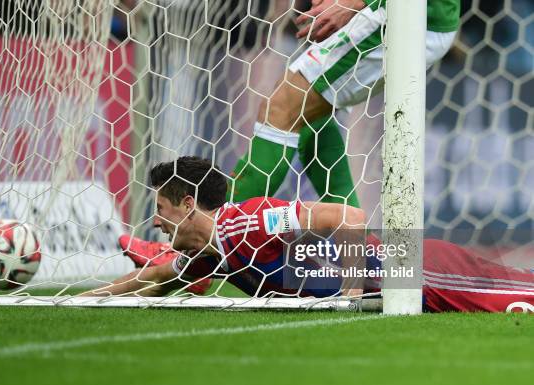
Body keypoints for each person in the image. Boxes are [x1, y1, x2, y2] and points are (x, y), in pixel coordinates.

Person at [85, 157, 534, 313]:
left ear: (188, 205)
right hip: (405, 283)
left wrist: (353, 289)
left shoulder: (250, 222)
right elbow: (158, 277)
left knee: (521, 301)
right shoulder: (212, 253)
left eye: (161, 210)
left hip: (414, 268)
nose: (156, 221)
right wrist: (87, 297)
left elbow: (351, 216)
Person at [227, 0, 461, 208]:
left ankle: (220, 239)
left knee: (283, 107)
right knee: (311, 117)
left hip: (407, 17)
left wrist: (354, 2)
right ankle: (356, 245)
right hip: (396, 12)